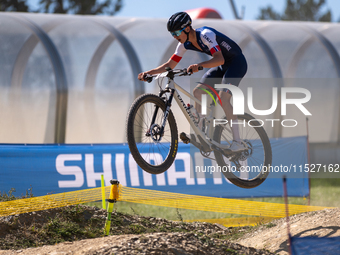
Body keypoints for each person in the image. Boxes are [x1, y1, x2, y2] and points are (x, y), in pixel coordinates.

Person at [138, 11, 248, 152]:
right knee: (198, 92)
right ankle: (202, 133)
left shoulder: (205, 35)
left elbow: (219, 59)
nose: (175, 37)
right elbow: (170, 65)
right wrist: (149, 73)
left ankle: (238, 142)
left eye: (177, 33)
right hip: (223, 65)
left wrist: (199, 66)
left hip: (236, 63)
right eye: (172, 34)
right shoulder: (184, 44)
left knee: (223, 99)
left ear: (187, 28)